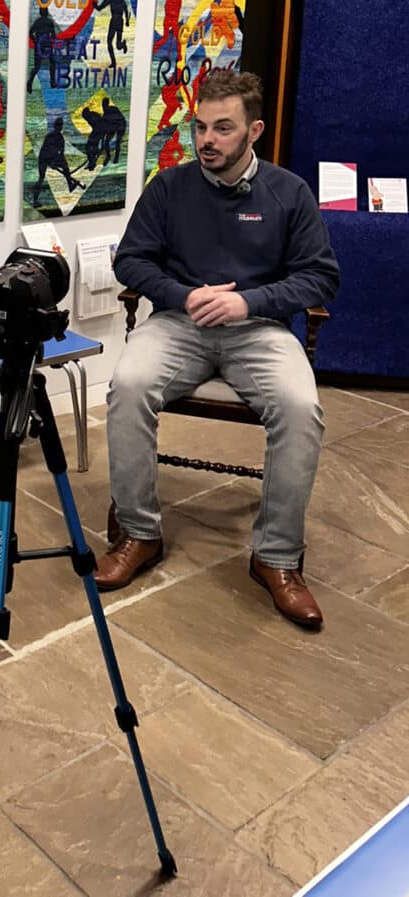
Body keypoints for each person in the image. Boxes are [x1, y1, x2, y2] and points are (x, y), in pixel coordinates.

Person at [96, 70, 340, 629]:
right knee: (128, 385)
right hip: (179, 323)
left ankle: (276, 558)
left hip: (259, 329)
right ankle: (138, 534)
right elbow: (131, 261)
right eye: (200, 126)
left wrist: (249, 303)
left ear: (252, 130)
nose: (206, 139)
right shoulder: (169, 188)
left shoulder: (288, 193)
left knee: (302, 408)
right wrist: (185, 294)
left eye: (222, 128)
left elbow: (320, 278)